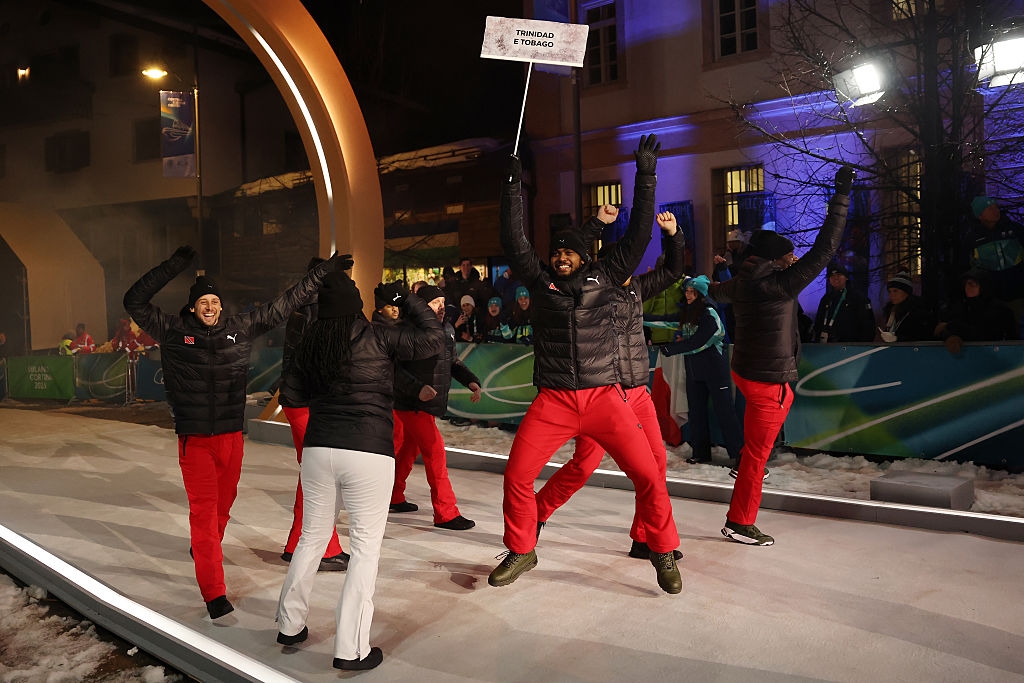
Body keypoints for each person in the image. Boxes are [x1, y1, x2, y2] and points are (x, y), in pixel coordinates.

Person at [489, 134, 683, 594]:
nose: (560, 257)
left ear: (584, 257)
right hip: (554, 400)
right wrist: (512, 188)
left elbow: (638, 235)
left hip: (603, 398)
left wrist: (646, 175)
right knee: (517, 476)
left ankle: (660, 548)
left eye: (568, 252)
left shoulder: (608, 277)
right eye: (556, 251)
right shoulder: (540, 283)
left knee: (649, 474)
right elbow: (514, 241)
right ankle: (522, 549)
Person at [124, 245, 345, 619]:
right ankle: (214, 592)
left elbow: (285, 303)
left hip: (231, 439)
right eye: (203, 302)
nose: (210, 307)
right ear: (192, 308)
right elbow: (134, 300)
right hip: (195, 441)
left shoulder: (239, 329)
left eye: (214, 301)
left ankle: (205, 547)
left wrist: (322, 274)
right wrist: (174, 266)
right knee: (204, 513)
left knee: (222, 509)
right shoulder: (173, 331)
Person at [274, 267, 442, 672]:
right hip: (367, 451)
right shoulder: (378, 335)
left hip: (319, 449)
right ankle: (351, 649)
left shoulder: (311, 341)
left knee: (312, 538)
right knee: (365, 549)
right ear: (356, 305)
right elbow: (433, 337)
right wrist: (405, 296)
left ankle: (290, 625)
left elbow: (291, 394)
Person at [709, 166, 854, 546]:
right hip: (768, 381)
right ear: (774, 260)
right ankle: (740, 521)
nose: (794, 259)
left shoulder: (741, 283)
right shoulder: (781, 284)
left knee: (755, 453)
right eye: (788, 255)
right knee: (757, 457)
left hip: (747, 372)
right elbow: (825, 248)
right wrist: (840, 198)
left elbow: (715, 291)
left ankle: (746, 472)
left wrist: (711, 277)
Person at [533, 209, 685, 561]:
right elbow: (573, 251)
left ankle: (644, 537)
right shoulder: (590, 292)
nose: (628, 267)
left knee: (655, 464)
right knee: (583, 466)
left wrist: (673, 235)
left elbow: (674, 270)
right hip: (603, 393)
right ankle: (538, 511)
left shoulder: (637, 289)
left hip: (637, 392)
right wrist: (597, 224)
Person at [277, 257, 351, 574]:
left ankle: (297, 544)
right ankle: (323, 549)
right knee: (321, 475)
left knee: (312, 473)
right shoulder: (312, 311)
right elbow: (317, 363)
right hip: (305, 402)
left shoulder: (312, 308)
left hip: (303, 400)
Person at [389, 284, 482, 530]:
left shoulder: (446, 329)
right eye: (434, 303)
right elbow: (394, 369)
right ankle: (446, 513)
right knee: (435, 451)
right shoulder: (408, 331)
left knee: (410, 448)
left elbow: (452, 362)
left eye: (442, 302)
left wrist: (471, 381)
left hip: (427, 404)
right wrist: (417, 388)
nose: (441, 307)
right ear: (421, 306)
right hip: (410, 403)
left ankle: (393, 495)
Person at [659, 274, 744, 468]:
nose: (688, 295)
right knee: (696, 413)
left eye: (693, 292)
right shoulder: (687, 313)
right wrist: (639, 317)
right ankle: (700, 453)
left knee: (725, 413)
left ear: (702, 294)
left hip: (715, 371)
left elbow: (699, 343)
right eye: (687, 291)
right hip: (694, 371)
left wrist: (671, 349)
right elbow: (664, 321)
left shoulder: (710, 314)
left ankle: (740, 455)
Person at [968, 195, 1024, 328]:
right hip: (990, 297)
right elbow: (968, 267)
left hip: (1017, 294)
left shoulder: (1015, 230)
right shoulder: (972, 239)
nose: (995, 211)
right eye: (989, 208)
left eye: (996, 207)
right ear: (980, 215)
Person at [935, 267, 1018, 353]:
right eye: (966, 284)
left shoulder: (1000, 310)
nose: (967, 287)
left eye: (972, 284)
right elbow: (939, 332)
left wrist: (952, 327)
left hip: (994, 355)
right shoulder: (958, 306)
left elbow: (984, 334)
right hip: (963, 357)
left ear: (984, 287)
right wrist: (948, 336)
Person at [811, 263, 875, 343]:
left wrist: (862, 346)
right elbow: (818, 322)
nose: (835, 278)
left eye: (839, 275)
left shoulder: (858, 298)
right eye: (832, 276)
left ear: (846, 277)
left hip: (850, 346)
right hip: (826, 344)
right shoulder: (826, 299)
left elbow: (868, 325)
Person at [878, 271, 936, 343]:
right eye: (889, 291)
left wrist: (897, 339)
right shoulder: (891, 311)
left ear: (906, 292)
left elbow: (923, 336)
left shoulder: (918, 311)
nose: (892, 295)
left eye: (895, 291)